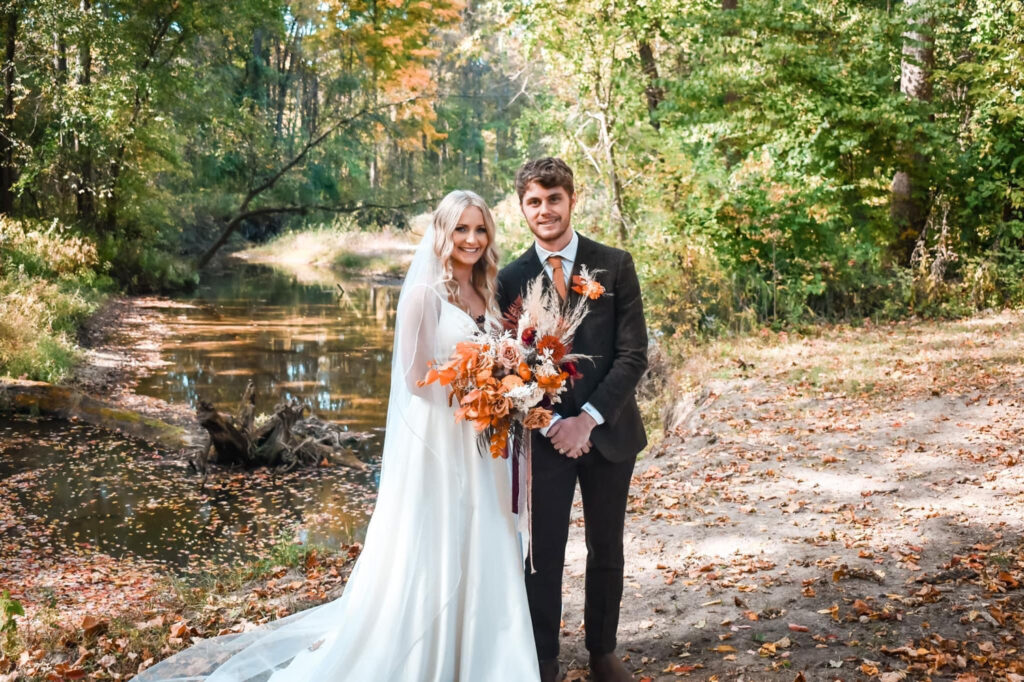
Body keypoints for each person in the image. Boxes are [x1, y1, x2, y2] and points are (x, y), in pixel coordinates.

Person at [132, 190, 540, 682]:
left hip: (485, 446)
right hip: (446, 440)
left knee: (485, 536)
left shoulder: (487, 292)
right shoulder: (423, 295)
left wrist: (509, 390)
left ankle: (487, 659)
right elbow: (414, 380)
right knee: (442, 540)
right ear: (443, 233)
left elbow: (497, 355)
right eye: (462, 229)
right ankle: (428, 655)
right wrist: (480, 395)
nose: (472, 239)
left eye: (480, 230)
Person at [497, 158, 648, 682]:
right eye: (534, 202)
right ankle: (543, 659)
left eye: (553, 199)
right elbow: (505, 369)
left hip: (609, 433)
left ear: (571, 199)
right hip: (543, 441)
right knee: (543, 555)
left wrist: (586, 419)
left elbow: (633, 355)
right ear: (522, 208)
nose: (545, 210)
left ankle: (603, 650)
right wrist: (550, 424)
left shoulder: (614, 264)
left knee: (607, 544)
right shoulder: (510, 278)